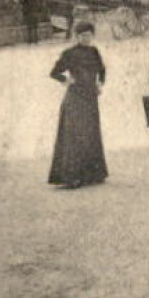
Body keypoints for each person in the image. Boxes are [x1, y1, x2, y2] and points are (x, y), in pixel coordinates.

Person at [47, 22, 108, 190]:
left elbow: (102, 69)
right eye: (82, 36)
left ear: (92, 35)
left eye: (88, 35)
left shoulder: (95, 51)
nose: (86, 38)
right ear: (76, 37)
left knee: (91, 133)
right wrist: (66, 81)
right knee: (75, 136)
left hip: (90, 98)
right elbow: (54, 72)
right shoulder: (70, 53)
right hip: (75, 99)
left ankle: (92, 174)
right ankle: (71, 177)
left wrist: (100, 84)